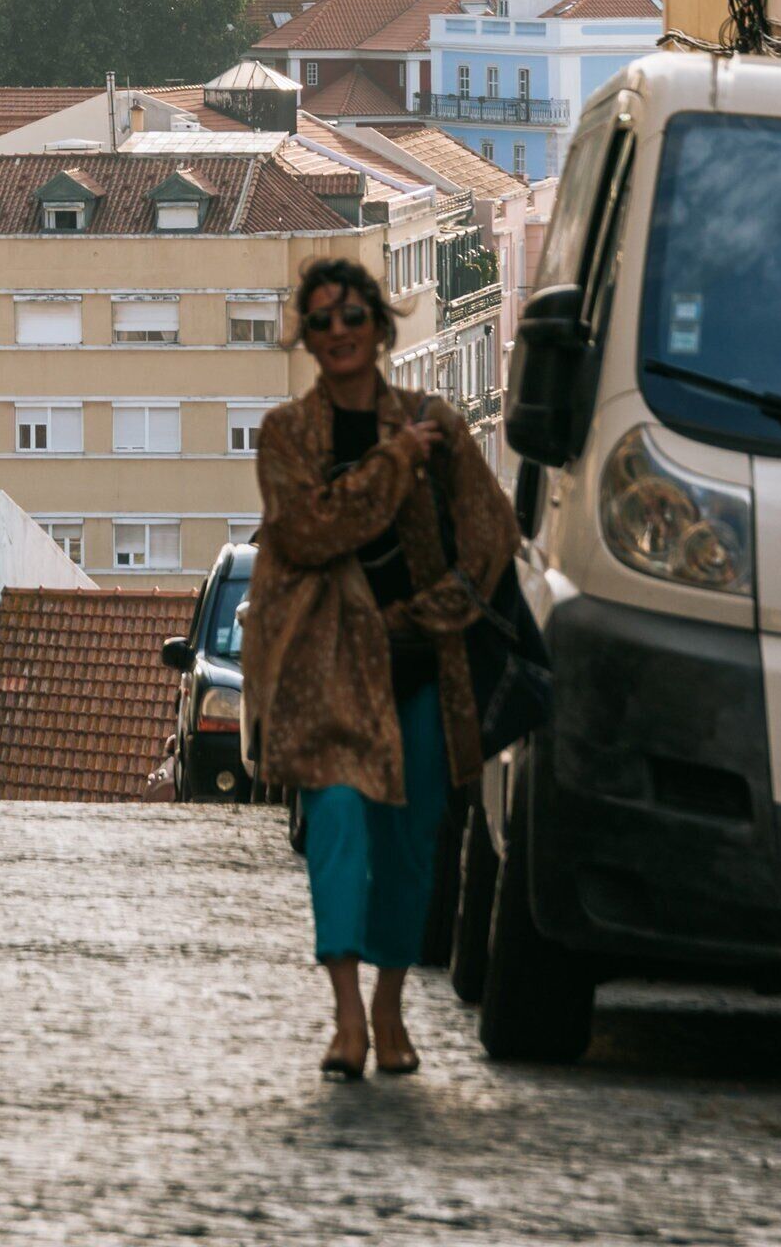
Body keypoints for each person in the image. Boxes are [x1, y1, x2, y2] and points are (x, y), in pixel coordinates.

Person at [245, 256, 517, 1079]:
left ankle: (391, 1004)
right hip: (327, 667)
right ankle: (345, 1018)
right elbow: (309, 532)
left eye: (351, 315)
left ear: (381, 327)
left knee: (408, 845)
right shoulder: (286, 436)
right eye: (320, 320)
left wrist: (430, 614)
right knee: (333, 828)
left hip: (421, 669)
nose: (337, 332)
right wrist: (395, 460)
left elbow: (489, 533)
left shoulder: (441, 424)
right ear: (305, 336)